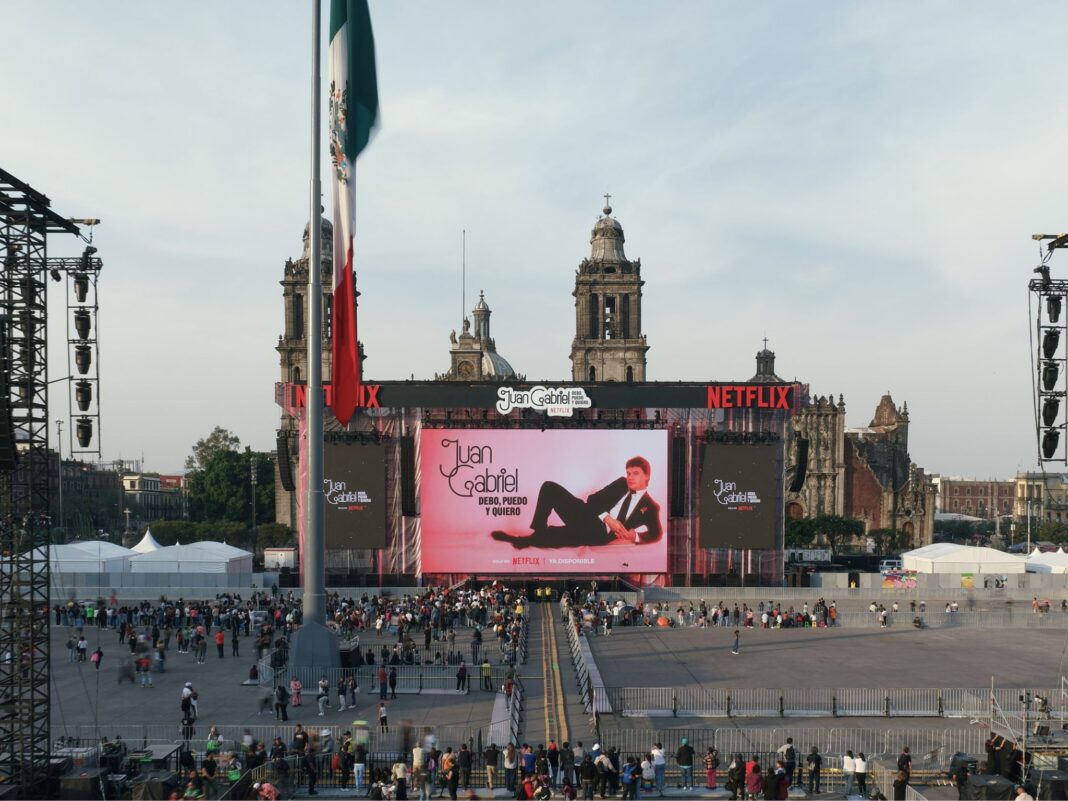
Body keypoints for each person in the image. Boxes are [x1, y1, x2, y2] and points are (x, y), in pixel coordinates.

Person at [490, 456, 663, 548]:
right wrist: (608, 518)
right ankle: (538, 532)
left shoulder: (651, 506)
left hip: (599, 535)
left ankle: (527, 539)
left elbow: (657, 534)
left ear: (647, 475)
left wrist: (635, 536)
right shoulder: (620, 483)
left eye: (635, 473)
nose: (630, 477)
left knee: (557, 537)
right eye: (628, 473)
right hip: (587, 516)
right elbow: (592, 500)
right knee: (549, 487)